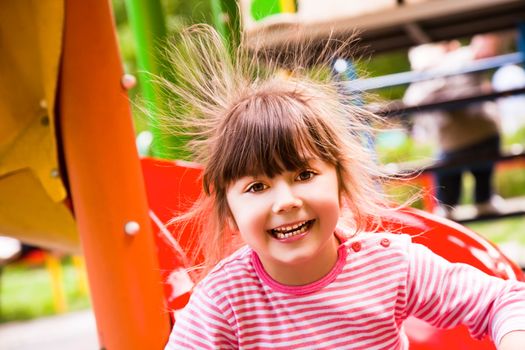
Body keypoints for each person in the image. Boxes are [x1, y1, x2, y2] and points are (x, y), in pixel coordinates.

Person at [163, 25, 525, 349]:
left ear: (340, 181)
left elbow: (504, 300)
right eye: (258, 187)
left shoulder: (388, 266)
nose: (286, 201)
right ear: (228, 207)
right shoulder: (225, 300)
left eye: (304, 175)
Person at [403, 34, 505, 219]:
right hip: (473, 133)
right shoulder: (461, 59)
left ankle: (460, 204)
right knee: (459, 177)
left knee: (453, 179)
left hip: (462, 136)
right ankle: (477, 201)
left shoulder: (432, 67)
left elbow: (414, 101)